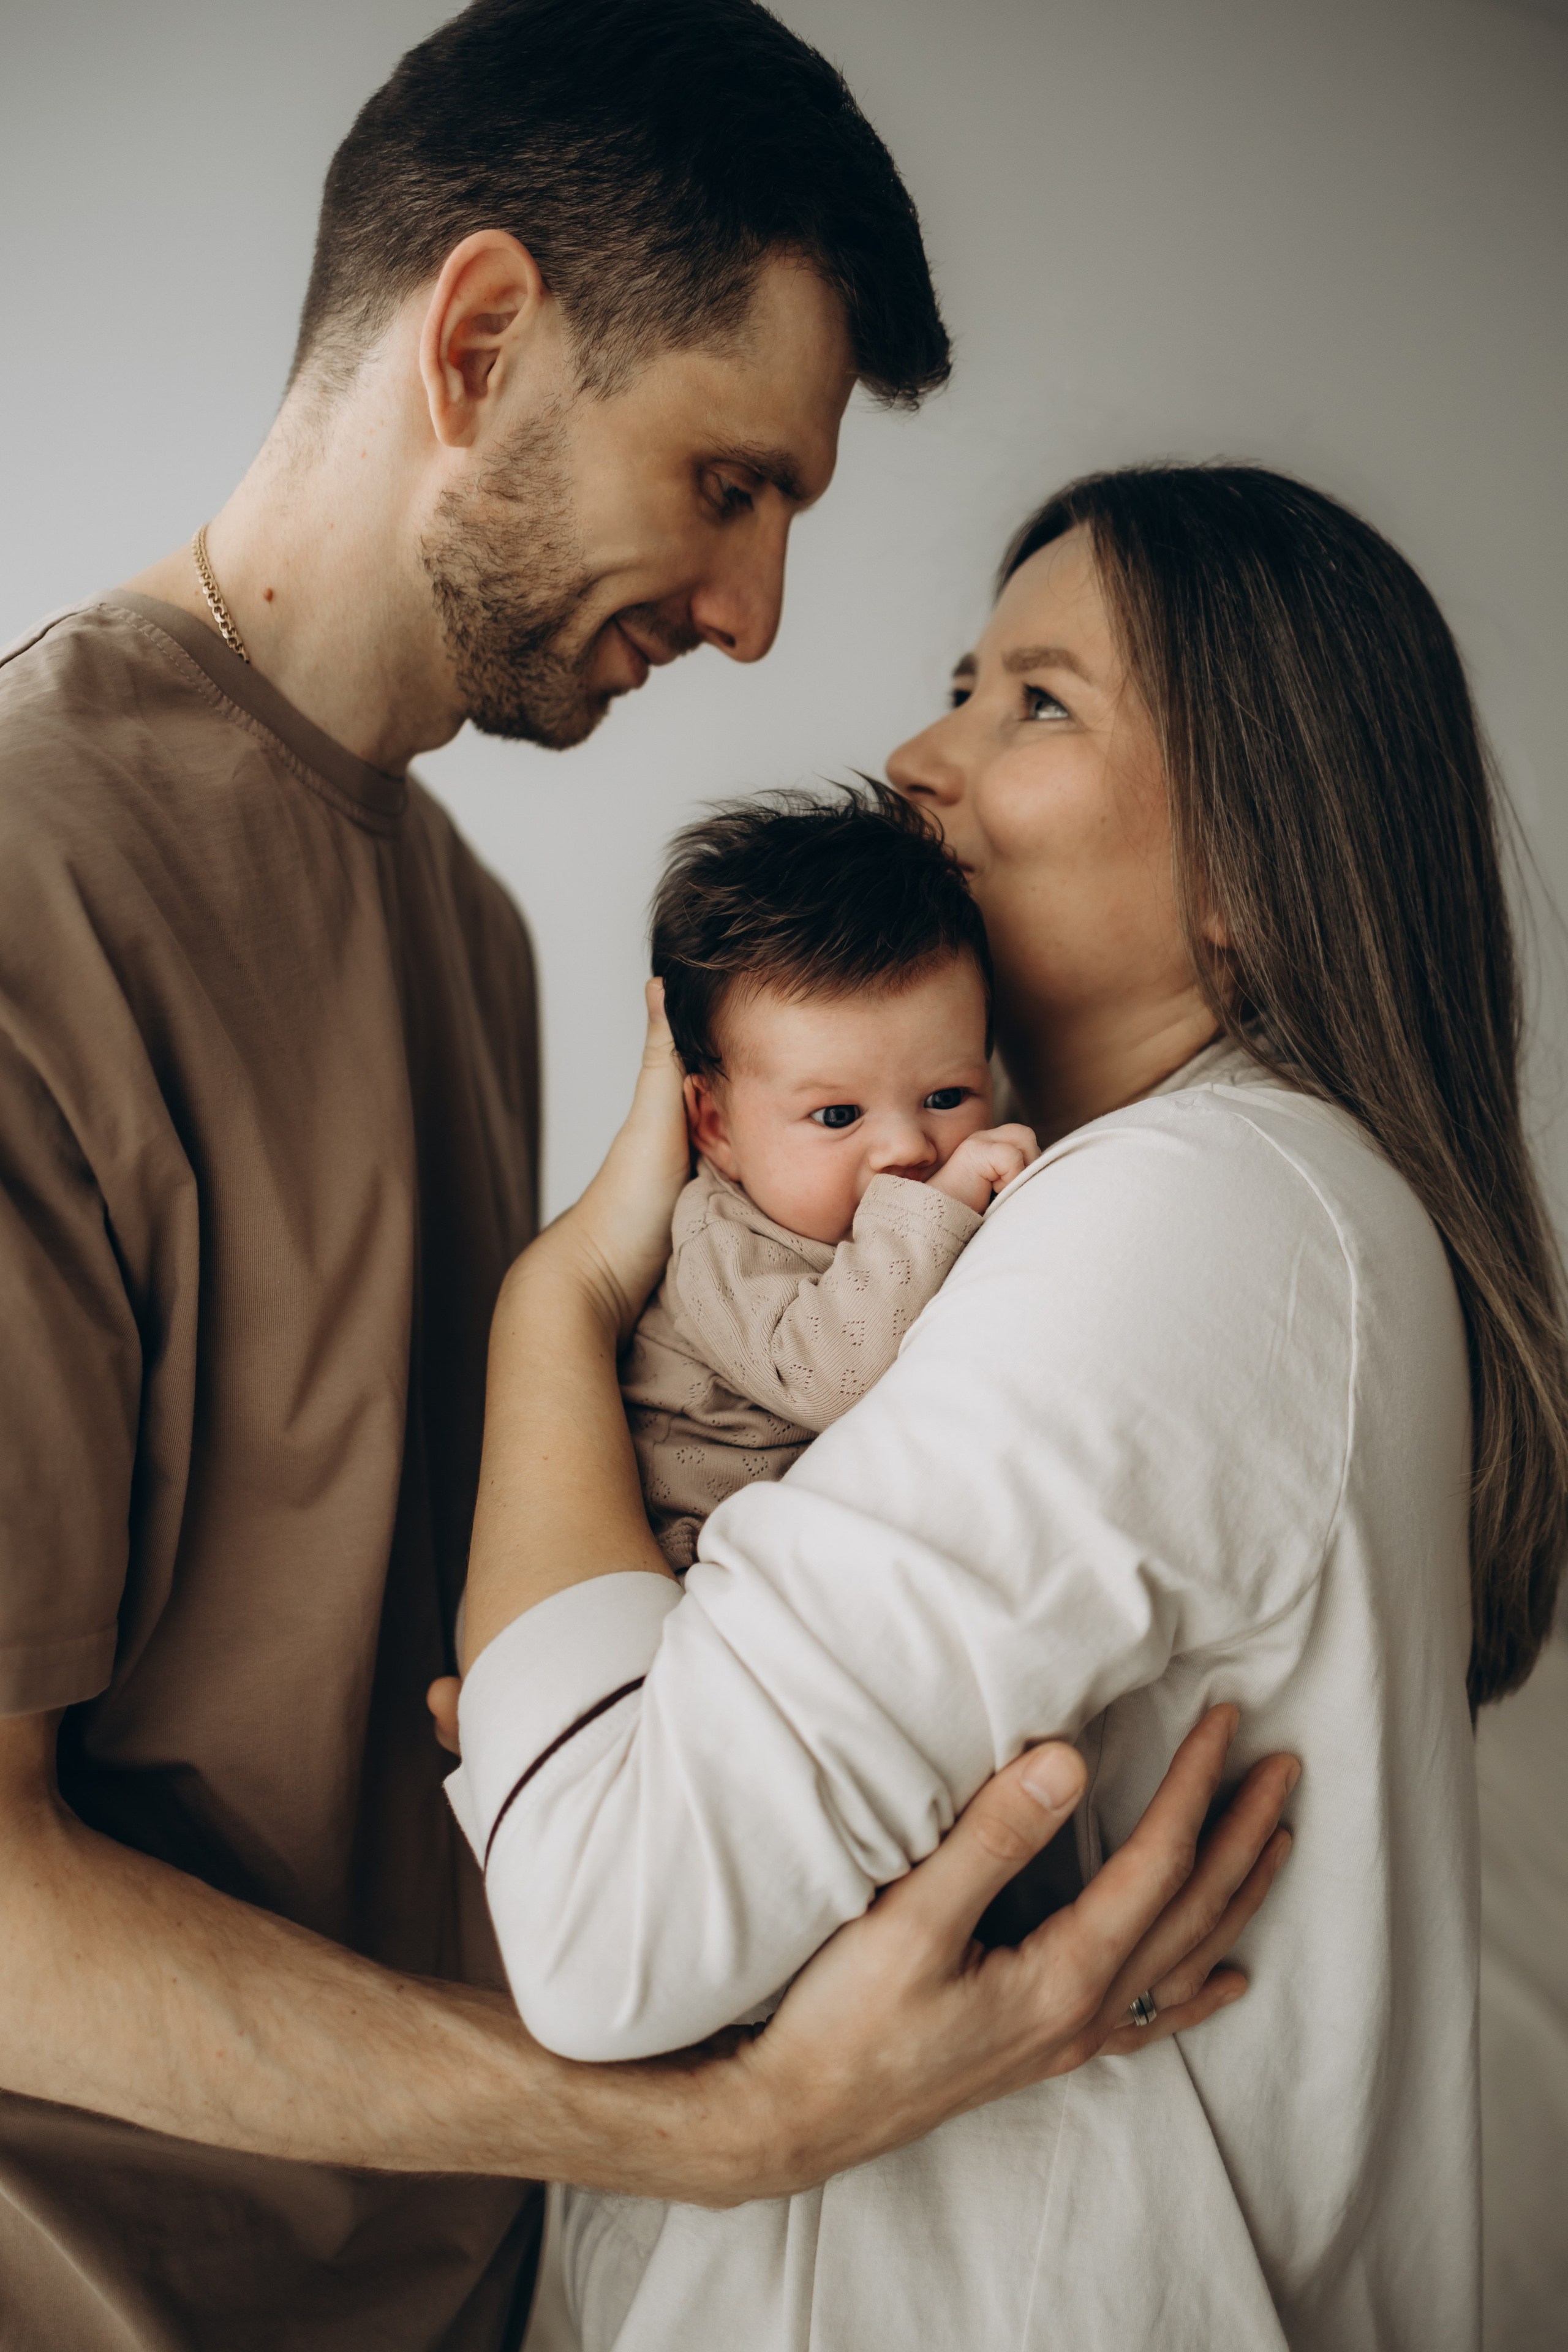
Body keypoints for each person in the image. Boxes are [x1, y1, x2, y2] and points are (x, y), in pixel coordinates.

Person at [0, 7, 1296, 2347]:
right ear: (479, 340)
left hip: (490, 2261)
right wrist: (722, 2128)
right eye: (727, 483)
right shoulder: (29, 893)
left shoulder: (470, 921)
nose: (756, 617)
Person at [450, 461, 1568, 2351]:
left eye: (1033, 700)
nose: (915, 753)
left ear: (1245, 867)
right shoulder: (1141, 1209)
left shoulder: (1194, 1213)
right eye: (962, 681)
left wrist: (554, 1293)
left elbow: (600, 1915)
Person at [622, 786, 1035, 1570]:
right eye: (839, 1116)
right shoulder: (723, 1240)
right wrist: (940, 1201)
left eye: (946, 1097)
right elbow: (824, 1378)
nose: (907, 1146)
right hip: (693, 1558)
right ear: (716, 1128)